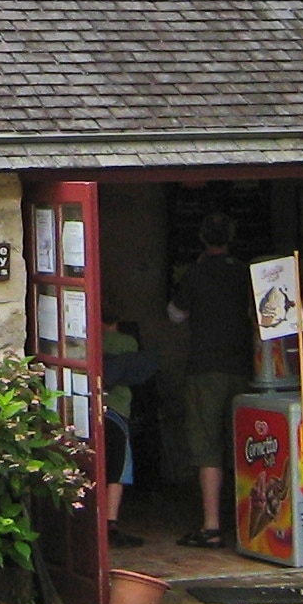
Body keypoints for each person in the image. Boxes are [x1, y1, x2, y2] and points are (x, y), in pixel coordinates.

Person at [168, 212, 250, 549]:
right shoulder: (245, 273)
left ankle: (212, 525)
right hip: (244, 366)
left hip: (205, 367)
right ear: (232, 236)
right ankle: (251, 522)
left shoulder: (195, 274)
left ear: (202, 238)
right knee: (247, 444)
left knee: (207, 446)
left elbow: (175, 314)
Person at [99, 320, 156, 549]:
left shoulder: (85, 340)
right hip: (116, 412)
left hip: (86, 408)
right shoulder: (126, 342)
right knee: (118, 469)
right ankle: (110, 523)